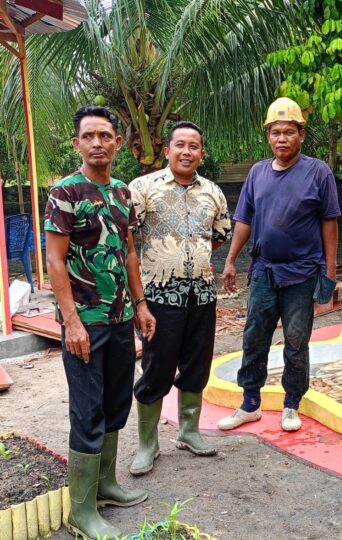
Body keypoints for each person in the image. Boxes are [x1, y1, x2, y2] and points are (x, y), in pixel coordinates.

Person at [45, 106, 155, 539]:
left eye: (105, 135)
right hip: (85, 324)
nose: (97, 143)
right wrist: (71, 321)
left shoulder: (123, 193)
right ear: (77, 144)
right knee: (87, 411)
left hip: (121, 317)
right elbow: (54, 260)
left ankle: (106, 485)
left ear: (116, 142)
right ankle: (82, 511)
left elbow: (128, 252)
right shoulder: (65, 193)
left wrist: (141, 306)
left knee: (114, 404)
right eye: (88, 136)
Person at [217, 97, 340, 433]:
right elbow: (243, 219)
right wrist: (230, 260)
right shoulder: (257, 173)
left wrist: (329, 274)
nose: (282, 138)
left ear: (301, 134)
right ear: (268, 136)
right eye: (275, 132)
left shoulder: (318, 172)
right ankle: (250, 404)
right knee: (254, 335)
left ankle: (291, 404)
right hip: (263, 272)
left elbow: (330, 223)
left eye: (289, 131)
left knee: (297, 340)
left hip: (302, 273)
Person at [127, 122, 231, 476]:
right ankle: (147, 444)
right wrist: (140, 299)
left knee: (197, 365)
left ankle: (188, 432)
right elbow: (128, 239)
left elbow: (219, 235)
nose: (187, 152)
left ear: (202, 152)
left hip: (202, 294)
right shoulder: (142, 189)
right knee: (156, 368)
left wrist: (192, 255)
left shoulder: (213, 192)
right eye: (180, 145)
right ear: (168, 149)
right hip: (158, 297)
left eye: (195, 146)